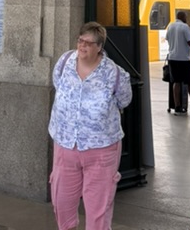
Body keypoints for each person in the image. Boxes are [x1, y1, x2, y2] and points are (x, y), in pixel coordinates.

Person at [48, 21, 132, 230]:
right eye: (80, 40)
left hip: (101, 150)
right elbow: (57, 85)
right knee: (62, 201)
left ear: (99, 47)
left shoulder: (115, 74)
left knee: (98, 209)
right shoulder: (65, 62)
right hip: (65, 144)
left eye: (88, 42)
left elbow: (124, 101)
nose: (82, 46)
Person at [165, 10, 190, 115]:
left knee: (176, 82)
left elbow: (167, 39)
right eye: (185, 16)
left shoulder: (170, 26)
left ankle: (177, 106)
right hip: (183, 59)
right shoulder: (184, 27)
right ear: (182, 17)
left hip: (172, 58)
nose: (186, 19)